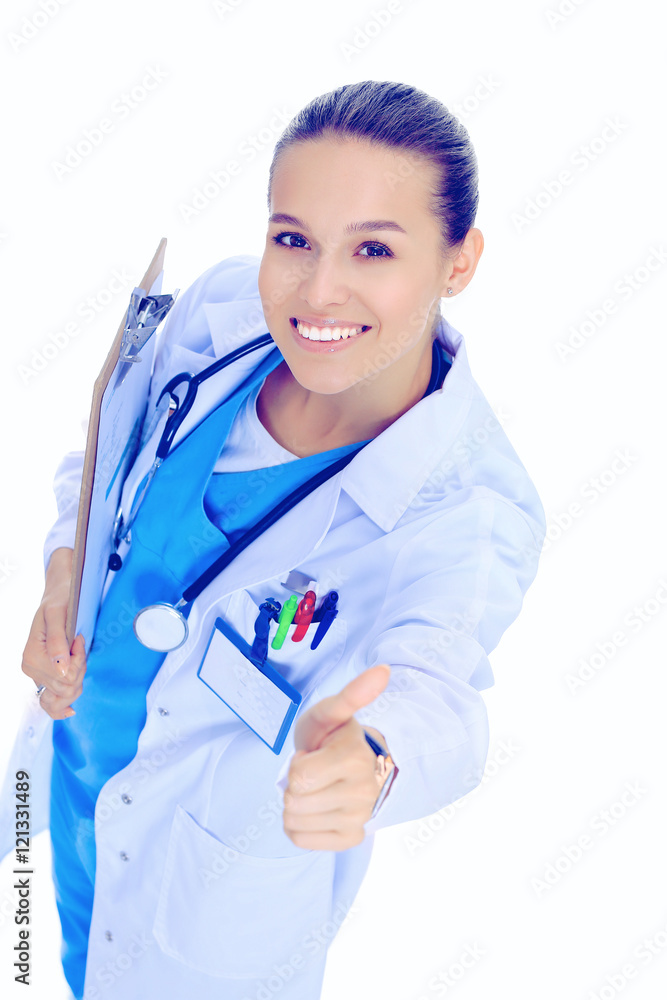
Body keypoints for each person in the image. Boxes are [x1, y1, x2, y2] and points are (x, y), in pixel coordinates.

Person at [2, 80, 546, 1000]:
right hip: (66, 783)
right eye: (292, 239)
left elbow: (440, 695)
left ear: (459, 262)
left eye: (373, 249)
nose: (318, 291)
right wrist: (65, 573)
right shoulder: (223, 316)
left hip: (198, 891)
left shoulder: (467, 507)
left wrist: (374, 763)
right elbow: (100, 461)